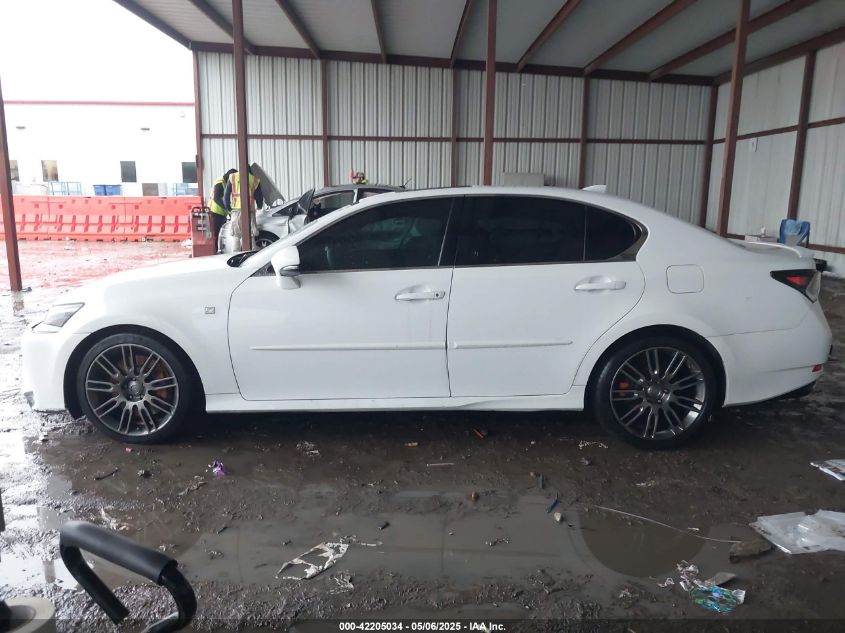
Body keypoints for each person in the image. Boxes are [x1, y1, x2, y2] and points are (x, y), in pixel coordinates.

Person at [224, 166, 264, 250]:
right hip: (249, 211)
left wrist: (228, 208)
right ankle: (252, 255)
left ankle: (235, 254)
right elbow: (259, 197)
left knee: (236, 235)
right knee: (251, 235)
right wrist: (259, 206)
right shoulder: (254, 179)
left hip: (236, 211)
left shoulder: (233, 177)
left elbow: (226, 194)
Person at [207, 168, 236, 251]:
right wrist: (227, 207)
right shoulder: (220, 183)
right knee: (215, 233)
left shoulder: (225, 182)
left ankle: (216, 250)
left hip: (221, 213)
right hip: (215, 212)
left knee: (219, 234)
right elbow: (216, 198)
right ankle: (213, 250)